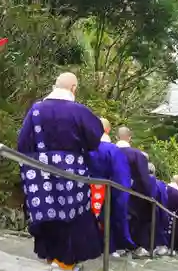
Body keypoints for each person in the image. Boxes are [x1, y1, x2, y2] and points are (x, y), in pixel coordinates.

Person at [17, 72, 104, 271]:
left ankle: (52, 257)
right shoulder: (79, 111)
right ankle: (65, 262)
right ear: (73, 88)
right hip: (72, 174)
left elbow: (23, 143)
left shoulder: (36, 110)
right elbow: (94, 138)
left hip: (41, 174)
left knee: (48, 214)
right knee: (74, 216)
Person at [87, 118, 135, 258]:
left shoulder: (85, 148)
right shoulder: (113, 151)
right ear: (107, 130)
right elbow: (121, 181)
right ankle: (109, 247)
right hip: (108, 196)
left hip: (84, 193)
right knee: (107, 218)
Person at [116, 126, 154, 258]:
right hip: (134, 196)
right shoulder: (137, 155)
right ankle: (135, 247)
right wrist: (149, 196)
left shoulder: (110, 151)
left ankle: (116, 247)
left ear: (117, 137)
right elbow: (144, 179)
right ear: (130, 138)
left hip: (111, 194)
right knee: (135, 221)